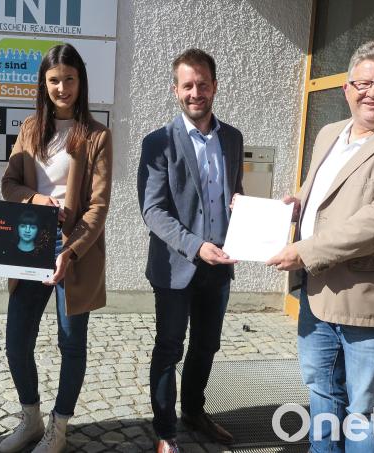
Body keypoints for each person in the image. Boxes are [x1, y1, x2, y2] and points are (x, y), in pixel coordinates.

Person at [266, 40, 374, 453]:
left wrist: (305, 251)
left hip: (368, 299)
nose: (373, 92)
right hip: (317, 290)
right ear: (346, 89)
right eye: (363, 82)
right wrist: (291, 207)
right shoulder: (331, 132)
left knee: (365, 410)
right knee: (322, 393)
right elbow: (317, 193)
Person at [0, 43, 113, 453]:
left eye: (69, 79)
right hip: (31, 247)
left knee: (71, 344)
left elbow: (99, 206)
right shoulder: (31, 129)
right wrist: (35, 200)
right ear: (43, 84)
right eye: (53, 80)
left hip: (74, 252)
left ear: (80, 81)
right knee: (16, 340)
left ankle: (59, 427)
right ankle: (30, 418)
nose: (61, 87)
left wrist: (71, 251)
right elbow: (8, 184)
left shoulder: (97, 136)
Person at [137, 48, 244, 453]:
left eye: (202, 83)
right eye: (187, 85)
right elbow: (153, 211)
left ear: (214, 86)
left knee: (207, 344)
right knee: (169, 345)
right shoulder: (158, 142)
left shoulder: (232, 138)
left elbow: (234, 194)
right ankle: (165, 430)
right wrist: (196, 246)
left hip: (220, 265)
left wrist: (248, 214)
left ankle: (194, 412)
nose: (195, 92)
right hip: (177, 265)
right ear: (175, 90)